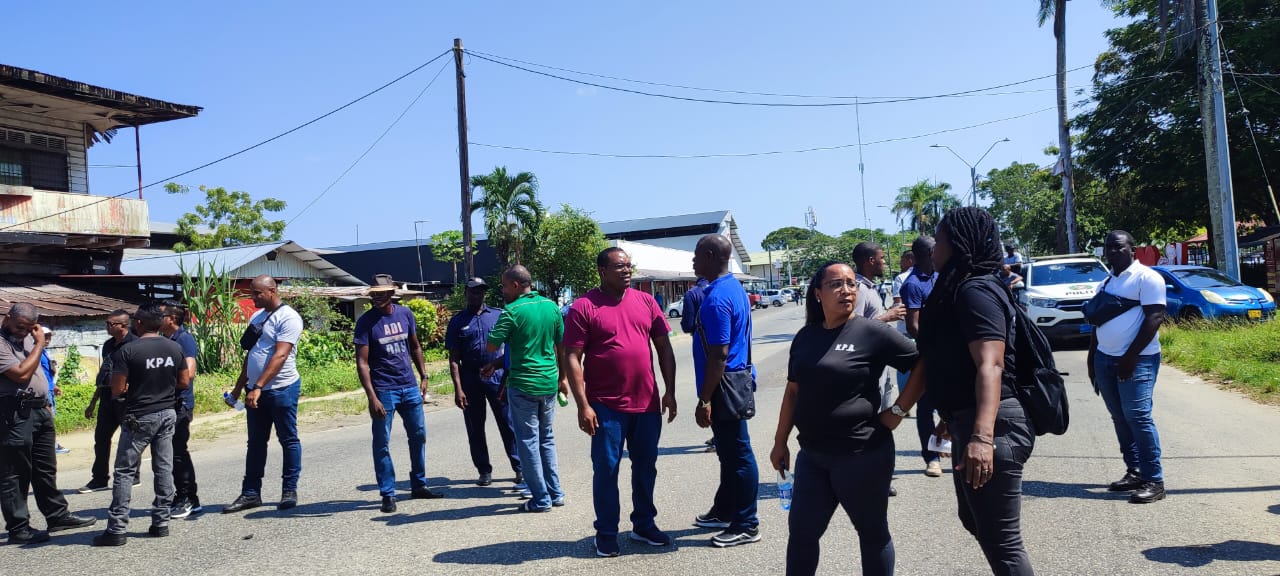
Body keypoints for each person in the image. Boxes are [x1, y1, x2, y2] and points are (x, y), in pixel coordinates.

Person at [770, 262, 923, 575]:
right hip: (813, 455)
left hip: (861, 454)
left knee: (872, 533)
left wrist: (897, 411)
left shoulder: (871, 332)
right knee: (801, 534)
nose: (846, 290)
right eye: (836, 284)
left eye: (851, 284)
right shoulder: (806, 336)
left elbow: (923, 365)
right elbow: (793, 392)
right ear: (818, 293)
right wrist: (780, 441)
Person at [919, 207, 1035, 575]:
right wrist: (951, 415)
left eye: (939, 240)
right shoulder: (962, 287)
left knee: (1003, 542)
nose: (933, 248)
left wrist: (982, 437)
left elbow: (991, 364)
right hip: (968, 418)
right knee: (974, 520)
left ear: (957, 244)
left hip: (995, 426)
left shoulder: (975, 290)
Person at [564, 247, 679, 557]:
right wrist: (583, 405)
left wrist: (669, 390)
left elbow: (664, 348)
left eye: (629, 265)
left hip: (647, 403)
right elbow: (572, 356)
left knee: (646, 468)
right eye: (619, 266)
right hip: (605, 406)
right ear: (602, 271)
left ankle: (644, 524)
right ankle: (606, 532)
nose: (627, 270)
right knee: (606, 470)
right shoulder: (584, 307)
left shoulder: (646, 301)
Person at [92, 302, 190, 546]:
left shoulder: (128, 351)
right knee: (163, 467)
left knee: (124, 472)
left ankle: (117, 529)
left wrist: (133, 388)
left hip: (139, 416)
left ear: (138, 323)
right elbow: (184, 382)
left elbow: (117, 389)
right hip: (167, 413)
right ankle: (161, 523)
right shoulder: (174, 347)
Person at [0, 303, 96, 544]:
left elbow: (38, 372)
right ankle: (19, 528)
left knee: (45, 468)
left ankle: (57, 516)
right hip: (13, 413)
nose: (24, 332)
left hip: (39, 409)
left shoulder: (30, 338)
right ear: (7, 317)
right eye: (20, 326)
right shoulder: (3, 343)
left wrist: (45, 402)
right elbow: (21, 374)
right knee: (15, 472)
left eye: (29, 328)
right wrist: (40, 344)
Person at [690, 234, 760, 548]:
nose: (693, 261)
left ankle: (747, 524)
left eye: (696, 255)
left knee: (738, 455)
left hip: (724, 385)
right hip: (734, 379)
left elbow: (719, 355)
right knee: (729, 454)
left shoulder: (717, 298)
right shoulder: (733, 288)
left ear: (709, 255)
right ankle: (725, 510)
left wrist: (704, 399)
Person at [1088, 230, 1167, 504]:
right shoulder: (1106, 282)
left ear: (1132, 249)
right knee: (1119, 417)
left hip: (1139, 360)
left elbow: (1155, 317)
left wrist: (1131, 356)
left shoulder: (1147, 278)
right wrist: (1092, 358)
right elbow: (1097, 322)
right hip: (1105, 359)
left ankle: (1154, 480)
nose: (1112, 251)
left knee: (1138, 416)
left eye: (1118, 247)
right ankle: (1134, 471)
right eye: (1108, 247)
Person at [355, 275, 443, 513]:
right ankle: (387, 493)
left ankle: (419, 485)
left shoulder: (405, 314)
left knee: (419, 436)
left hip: (409, 386)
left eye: (381, 294)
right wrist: (372, 397)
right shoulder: (366, 322)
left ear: (391, 294)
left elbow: (415, 346)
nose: (376, 298)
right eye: (374, 294)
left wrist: (424, 375)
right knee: (381, 442)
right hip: (384, 391)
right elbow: (362, 363)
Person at [484, 265, 567, 513]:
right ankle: (555, 493)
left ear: (516, 285)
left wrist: (510, 335)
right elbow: (561, 345)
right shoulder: (551, 306)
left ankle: (540, 499)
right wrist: (563, 378)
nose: (502, 290)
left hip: (523, 384)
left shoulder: (511, 311)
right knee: (546, 438)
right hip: (549, 382)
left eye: (504, 286)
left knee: (528, 441)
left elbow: (491, 346)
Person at [224, 275, 305, 514]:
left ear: (272, 291)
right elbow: (251, 355)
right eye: (252, 293)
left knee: (288, 439)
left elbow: (281, 355)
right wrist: (240, 387)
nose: (253, 297)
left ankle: (289, 490)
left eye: (257, 293)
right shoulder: (257, 317)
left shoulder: (288, 317)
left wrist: (259, 386)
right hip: (254, 390)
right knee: (256, 442)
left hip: (282, 389)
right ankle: (251, 493)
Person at [446, 277, 520, 488]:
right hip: (470, 378)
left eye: (480, 291)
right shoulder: (457, 321)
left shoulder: (498, 315)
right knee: (475, 427)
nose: (477, 294)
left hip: (497, 376)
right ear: (466, 293)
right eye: (473, 291)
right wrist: (458, 389)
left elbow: (511, 347)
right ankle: (484, 470)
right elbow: (454, 359)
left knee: (508, 423)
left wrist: (506, 373)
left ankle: (519, 467)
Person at [81, 310, 137, 493]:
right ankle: (99, 479)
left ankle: (133, 475)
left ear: (123, 325)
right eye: (106, 323)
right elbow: (104, 374)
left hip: (127, 399)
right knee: (101, 439)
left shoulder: (135, 344)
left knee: (128, 439)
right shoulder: (108, 345)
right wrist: (93, 402)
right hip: (107, 397)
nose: (107, 327)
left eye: (110, 324)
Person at [901, 236, 943, 479]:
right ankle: (932, 458)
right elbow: (913, 326)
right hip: (930, 355)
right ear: (926, 255)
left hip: (949, 353)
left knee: (953, 403)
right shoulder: (913, 284)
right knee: (926, 409)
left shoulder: (939, 275)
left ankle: (952, 447)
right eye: (935, 250)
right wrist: (935, 346)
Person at [159, 300, 202, 518]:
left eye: (161, 315)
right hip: (167, 403)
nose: (157, 319)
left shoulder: (183, 339)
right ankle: (178, 495)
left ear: (171, 319)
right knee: (168, 454)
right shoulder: (165, 339)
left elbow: (189, 373)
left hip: (180, 404)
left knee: (178, 452)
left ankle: (189, 498)